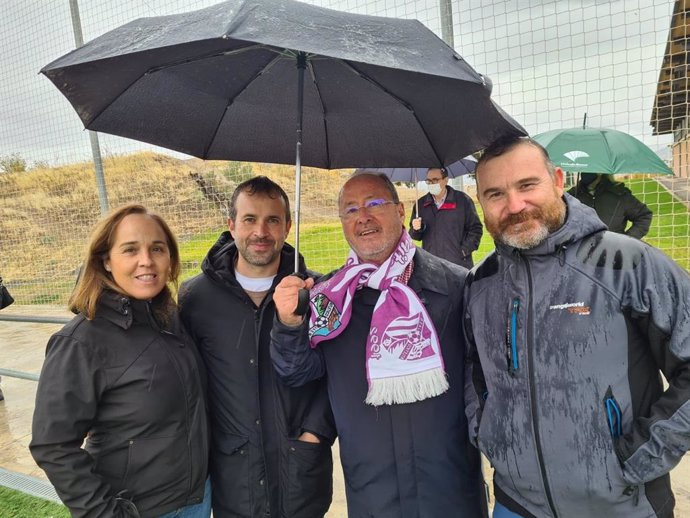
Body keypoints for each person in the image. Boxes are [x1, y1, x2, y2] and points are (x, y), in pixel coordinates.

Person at [464, 136, 690, 518]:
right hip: (516, 504)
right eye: (495, 194)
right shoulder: (480, 283)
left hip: (622, 504)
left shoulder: (627, 264)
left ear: (557, 179)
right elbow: (474, 374)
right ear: (481, 202)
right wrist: (490, 434)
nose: (514, 205)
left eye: (527, 185)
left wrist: (638, 458)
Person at [271, 171, 486, 518]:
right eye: (350, 210)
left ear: (400, 211)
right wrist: (289, 323)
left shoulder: (456, 287)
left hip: (450, 494)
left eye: (374, 204)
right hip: (372, 495)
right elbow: (297, 372)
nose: (363, 217)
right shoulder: (328, 299)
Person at [30, 204, 210, 518]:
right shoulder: (81, 341)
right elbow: (53, 444)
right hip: (139, 510)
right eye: (130, 250)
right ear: (106, 261)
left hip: (196, 498)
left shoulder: (172, 320)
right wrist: (103, 513)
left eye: (157, 248)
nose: (147, 261)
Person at [179, 176, 335, 518]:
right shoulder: (195, 299)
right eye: (250, 219)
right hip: (234, 475)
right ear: (231, 224)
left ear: (288, 226)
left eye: (273, 220)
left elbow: (337, 373)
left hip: (301, 473)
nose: (260, 231)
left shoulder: (320, 293)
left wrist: (315, 433)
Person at [409, 167, 483, 268]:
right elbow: (415, 236)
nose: (431, 184)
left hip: (459, 265)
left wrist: (464, 251)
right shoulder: (420, 205)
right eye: (428, 181)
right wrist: (416, 229)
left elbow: (476, 229)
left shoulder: (462, 200)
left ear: (446, 180)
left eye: (435, 180)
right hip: (432, 266)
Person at [568, 172, 653, 238]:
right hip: (580, 254)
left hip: (611, 255)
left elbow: (644, 216)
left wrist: (627, 240)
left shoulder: (619, 194)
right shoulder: (571, 196)